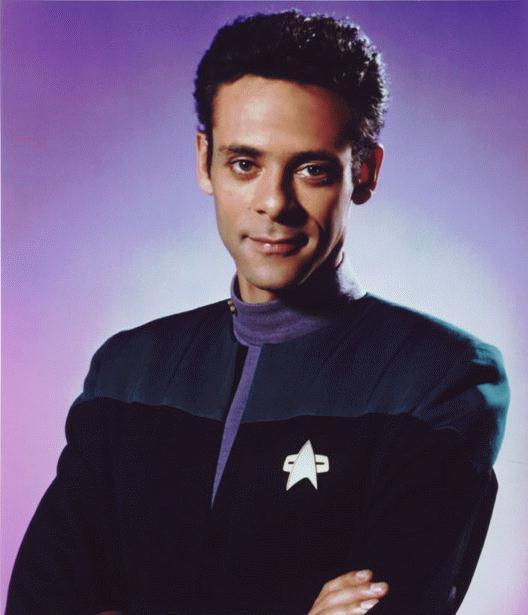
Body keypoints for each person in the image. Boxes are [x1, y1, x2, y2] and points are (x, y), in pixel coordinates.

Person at [5, 10, 509, 615]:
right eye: (245, 164)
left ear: (364, 173)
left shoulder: (441, 379)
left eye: (312, 169)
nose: (274, 203)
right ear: (205, 162)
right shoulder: (127, 373)